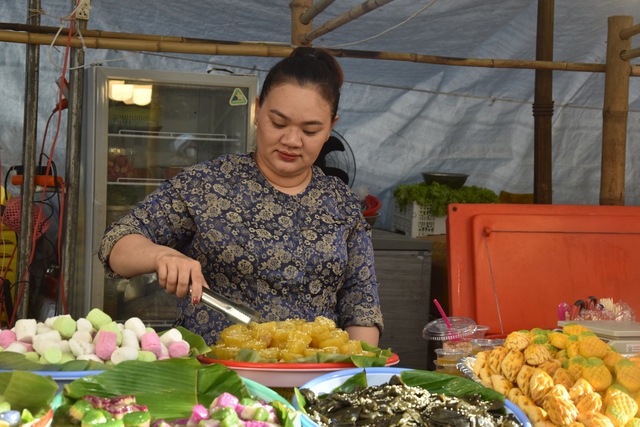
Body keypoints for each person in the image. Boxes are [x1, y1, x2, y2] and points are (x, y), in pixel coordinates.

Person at [99, 46, 383, 347]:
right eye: (278, 122)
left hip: (310, 380)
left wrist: (355, 375)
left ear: (330, 128)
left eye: (310, 131)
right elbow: (116, 243)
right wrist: (161, 256)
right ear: (258, 110)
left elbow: (361, 304)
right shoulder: (208, 184)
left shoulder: (342, 204)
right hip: (215, 377)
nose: (291, 140)